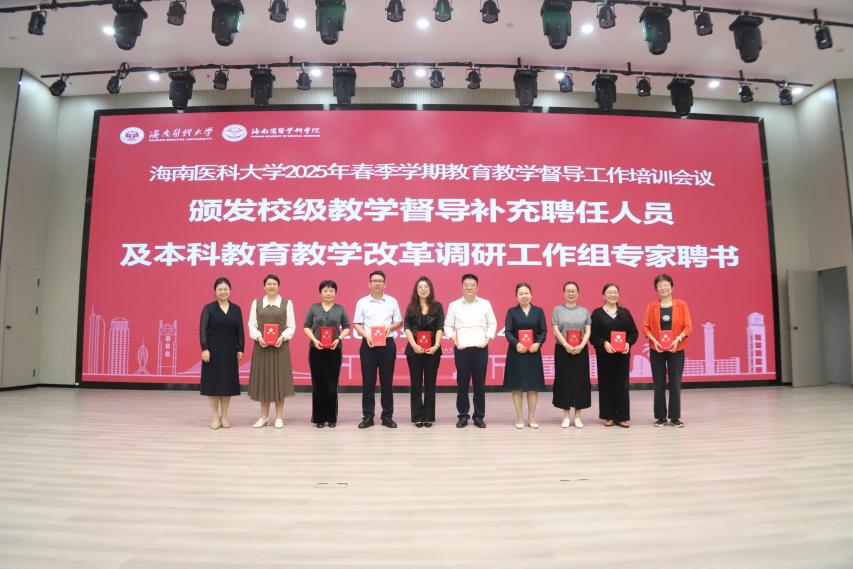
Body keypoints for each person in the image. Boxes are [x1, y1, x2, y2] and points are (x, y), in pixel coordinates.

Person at [444, 273, 497, 429]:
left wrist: (488, 338)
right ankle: (463, 416)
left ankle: (479, 416)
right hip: (462, 349)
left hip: (480, 348)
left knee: (479, 385)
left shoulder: (485, 304)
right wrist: (453, 338)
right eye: (466, 285)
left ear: (477, 288)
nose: (469, 287)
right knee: (462, 384)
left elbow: (492, 323)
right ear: (462, 287)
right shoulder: (454, 305)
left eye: (472, 285)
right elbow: (447, 326)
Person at [353, 270, 403, 429]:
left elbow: (399, 321)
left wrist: (390, 327)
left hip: (387, 344)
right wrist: (366, 335)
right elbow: (357, 324)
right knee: (368, 382)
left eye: (380, 281)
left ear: (385, 284)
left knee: (387, 382)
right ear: (369, 284)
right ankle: (368, 417)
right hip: (368, 344)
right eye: (374, 280)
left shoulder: (392, 301)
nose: (377, 283)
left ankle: (387, 416)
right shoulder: (362, 302)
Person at [643, 274, 693, 428]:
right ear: (656, 289)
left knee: (675, 383)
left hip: (676, 349)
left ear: (672, 287)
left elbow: (688, 327)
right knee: (658, 383)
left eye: (666, 285)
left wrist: (677, 339)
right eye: (660, 286)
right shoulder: (651, 306)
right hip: (656, 349)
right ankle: (661, 417)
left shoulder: (681, 305)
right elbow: (646, 327)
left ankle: (675, 417)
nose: (663, 288)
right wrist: (654, 340)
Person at [247, 274, 296, 428]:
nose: (272, 286)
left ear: (278, 286)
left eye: (274, 284)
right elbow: (251, 325)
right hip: (261, 347)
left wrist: (282, 337)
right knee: (264, 380)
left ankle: (279, 417)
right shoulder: (256, 303)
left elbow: (291, 326)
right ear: (264, 287)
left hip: (280, 347)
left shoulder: (287, 303)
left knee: (279, 381)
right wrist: (258, 337)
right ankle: (264, 417)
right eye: (269, 284)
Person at [302, 280, 351, 429]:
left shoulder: (340, 309)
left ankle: (331, 418)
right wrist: (314, 340)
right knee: (318, 384)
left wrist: (338, 339)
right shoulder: (314, 307)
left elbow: (347, 327)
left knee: (331, 384)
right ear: (320, 292)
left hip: (334, 350)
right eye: (325, 290)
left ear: (335, 293)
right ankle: (319, 418)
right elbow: (306, 326)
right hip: (316, 350)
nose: (328, 293)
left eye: (331, 291)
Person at [589, 283, 638, 428]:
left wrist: (628, 343)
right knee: (606, 385)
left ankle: (622, 417)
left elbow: (634, 332)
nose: (613, 294)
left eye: (615, 292)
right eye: (609, 292)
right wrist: (603, 343)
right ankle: (608, 416)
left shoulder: (625, 312)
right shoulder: (597, 313)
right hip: (604, 355)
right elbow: (592, 335)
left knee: (622, 385)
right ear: (603, 296)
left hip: (622, 356)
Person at [199, 277, 244, 430]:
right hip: (212, 351)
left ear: (230, 290)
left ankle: (224, 416)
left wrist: (240, 348)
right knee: (213, 385)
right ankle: (214, 417)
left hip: (230, 351)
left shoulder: (236, 309)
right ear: (215, 291)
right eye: (220, 289)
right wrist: (204, 348)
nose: (223, 292)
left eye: (226, 289)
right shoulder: (209, 308)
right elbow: (203, 329)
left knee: (227, 385)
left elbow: (240, 330)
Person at [503, 283, 547, 429]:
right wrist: (516, 344)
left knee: (533, 387)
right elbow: (508, 332)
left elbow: (543, 331)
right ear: (516, 296)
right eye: (521, 294)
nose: (524, 296)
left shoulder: (539, 311)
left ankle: (532, 417)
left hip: (533, 353)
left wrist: (538, 343)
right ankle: (519, 417)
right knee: (517, 386)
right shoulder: (512, 312)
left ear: (531, 295)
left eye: (526, 293)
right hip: (517, 353)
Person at [403, 277, 444, 428]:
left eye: (426, 286)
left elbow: (440, 327)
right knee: (416, 383)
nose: (423, 289)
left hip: (433, 350)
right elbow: (407, 327)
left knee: (430, 384)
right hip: (414, 350)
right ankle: (417, 417)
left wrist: (436, 345)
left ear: (430, 289)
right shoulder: (411, 307)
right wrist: (413, 345)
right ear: (416, 290)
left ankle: (429, 417)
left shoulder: (438, 306)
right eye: (420, 287)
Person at [551, 281, 592, 429]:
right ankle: (566, 416)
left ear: (578, 293)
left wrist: (581, 345)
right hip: (563, 350)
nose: (571, 293)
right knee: (564, 382)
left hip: (581, 350)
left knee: (581, 382)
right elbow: (555, 329)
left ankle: (578, 416)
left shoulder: (584, 311)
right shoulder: (557, 310)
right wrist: (566, 345)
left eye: (573, 290)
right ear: (563, 293)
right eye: (568, 291)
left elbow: (588, 331)